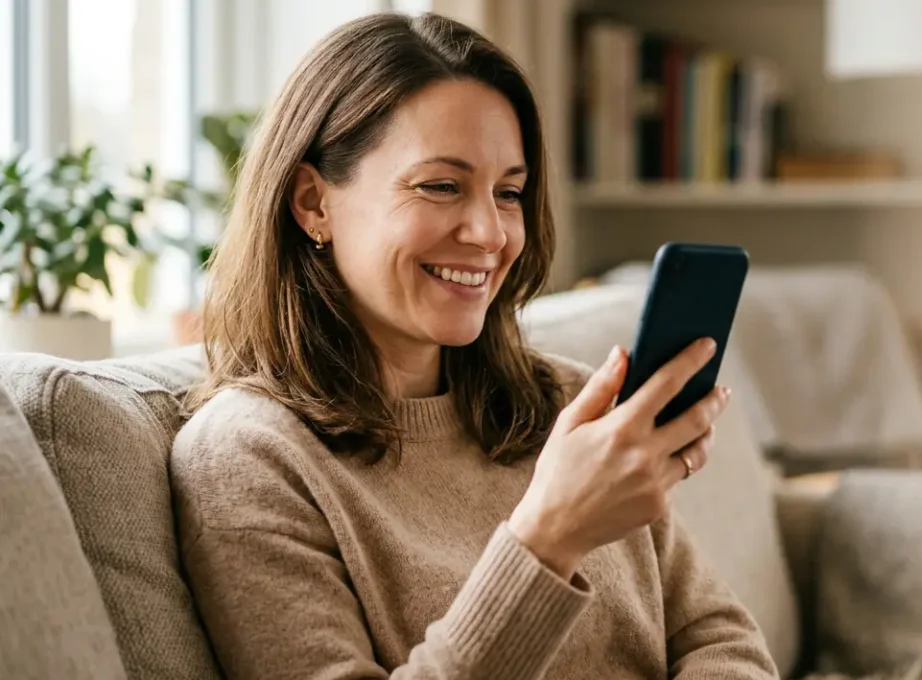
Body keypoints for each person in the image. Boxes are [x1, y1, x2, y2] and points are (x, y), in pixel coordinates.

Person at [169, 12, 777, 680]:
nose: (490, 233)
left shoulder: (569, 408)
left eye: (509, 193)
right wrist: (547, 539)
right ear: (314, 203)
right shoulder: (249, 459)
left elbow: (721, 637)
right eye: (441, 185)